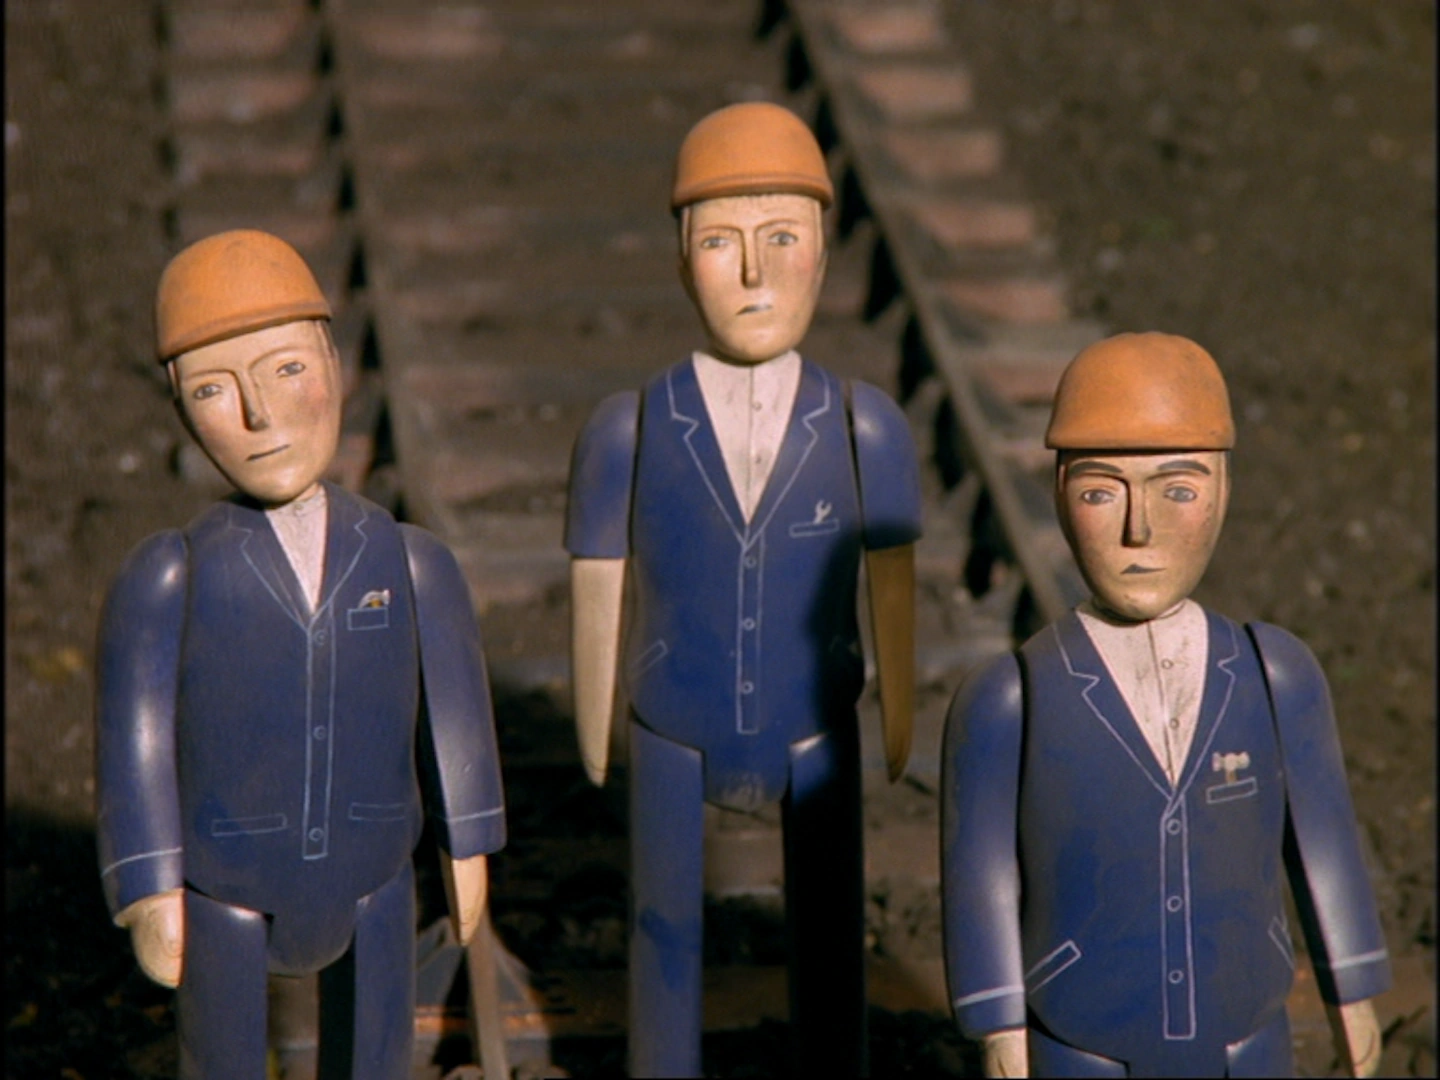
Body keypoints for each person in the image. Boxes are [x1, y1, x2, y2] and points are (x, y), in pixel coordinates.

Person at [95, 229, 506, 1080]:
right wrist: (147, 883)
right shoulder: (170, 574)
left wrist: (466, 843)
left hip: (376, 868)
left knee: (377, 1052)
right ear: (180, 408)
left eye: (286, 369)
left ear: (335, 363)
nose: (261, 414)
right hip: (226, 882)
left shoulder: (407, 560)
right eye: (214, 388)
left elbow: (456, 715)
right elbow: (135, 740)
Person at [565, 102, 922, 1077]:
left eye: (783, 238)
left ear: (824, 254)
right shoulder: (631, 427)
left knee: (830, 937)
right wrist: (595, 722)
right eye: (723, 241)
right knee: (662, 934)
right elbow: (598, 582)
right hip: (670, 715)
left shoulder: (865, 426)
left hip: (818, 719)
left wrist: (895, 715)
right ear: (683, 261)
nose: (756, 273)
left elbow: (892, 584)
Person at [941, 332, 1391, 1077]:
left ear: (1224, 491)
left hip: (1245, 1024)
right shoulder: (1009, 699)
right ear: (1059, 497)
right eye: (1100, 491)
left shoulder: (1274, 674)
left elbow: (1323, 843)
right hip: (1080, 1031)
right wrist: (997, 1022)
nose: (1138, 529)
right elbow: (980, 874)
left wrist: (1354, 989)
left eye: (1177, 490)